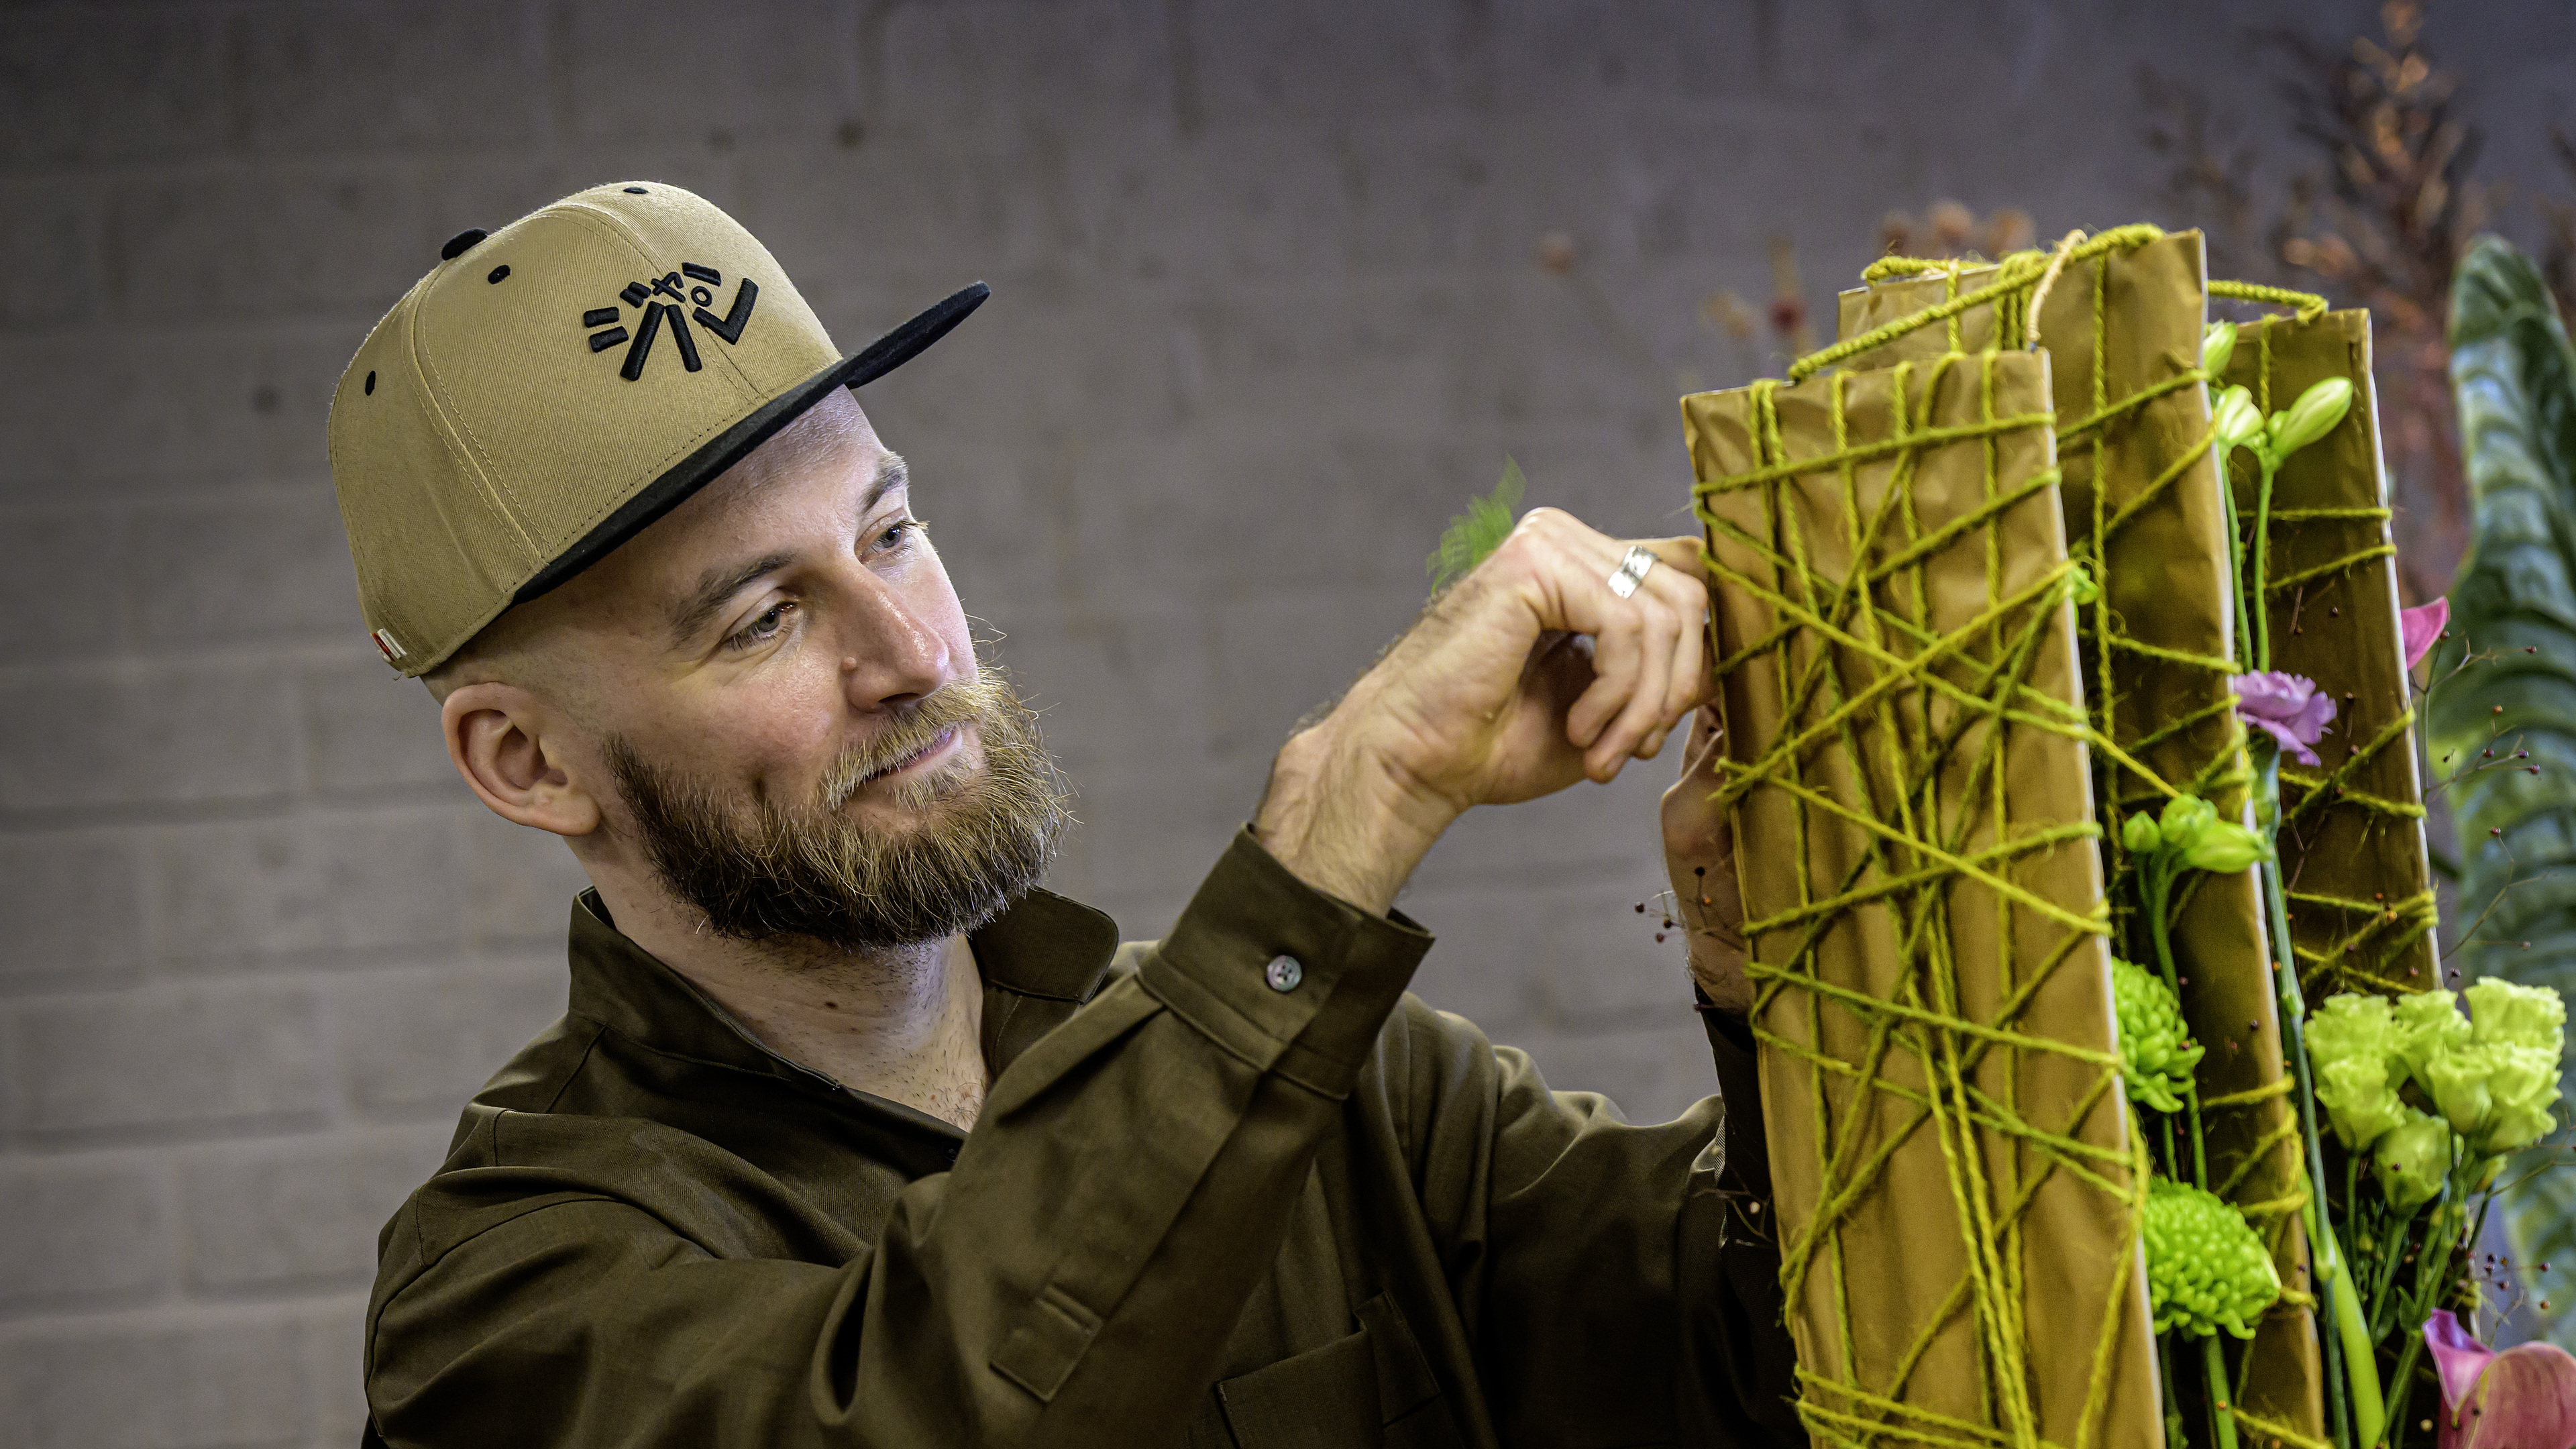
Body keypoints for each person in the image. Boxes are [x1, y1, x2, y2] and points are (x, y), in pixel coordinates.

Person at [333, 182, 1796, 1448]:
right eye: (763, 619)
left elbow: (1757, 1380)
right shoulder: (506, 1299)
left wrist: (1779, 974)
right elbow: (953, 1406)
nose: (913, 656)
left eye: (890, 536)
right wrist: (1344, 816)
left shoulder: (1351, 1100)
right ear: (530, 762)